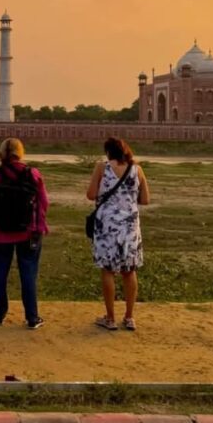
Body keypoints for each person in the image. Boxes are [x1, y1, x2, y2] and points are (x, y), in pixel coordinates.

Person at [0, 137, 49, 329]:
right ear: (21, 152)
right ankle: (32, 317)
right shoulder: (33, 174)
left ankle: (0, 313)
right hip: (28, 232)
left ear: (1, 153)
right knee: (28, 273)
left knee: (0, 273)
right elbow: (44, 203)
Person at [86, 136, 150, 331]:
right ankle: (129, 317)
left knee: (108, 270)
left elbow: (90, 194)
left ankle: (111, 318)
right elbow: (145, 199)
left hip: (107, 226)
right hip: (130, 227)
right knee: (129, 271)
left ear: (108, 152)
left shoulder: (102, 167)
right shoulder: (136, 169)